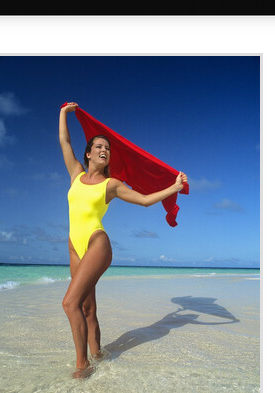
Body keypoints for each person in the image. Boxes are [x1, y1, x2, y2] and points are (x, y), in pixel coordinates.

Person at [59, 102, 188, 378]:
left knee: (69, 303)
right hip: (74, 245)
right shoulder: (75, 174)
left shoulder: (112, 184)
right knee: (86, 307)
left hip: (96, 243)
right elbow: (64, 140)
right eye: (99, 147)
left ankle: (82, 366)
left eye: (107, 148)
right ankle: (98, 354)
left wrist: (174, 187)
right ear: (88, 154)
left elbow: (143, 201)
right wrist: (63, 114)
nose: (104, 150)